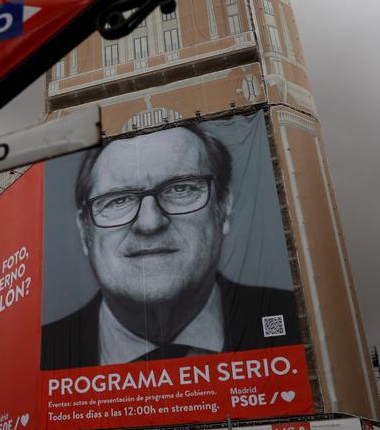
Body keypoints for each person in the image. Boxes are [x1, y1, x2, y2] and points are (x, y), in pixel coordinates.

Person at [40, 124, 300, 370]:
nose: (150, 222)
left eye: (180, 189)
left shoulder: (298, 322)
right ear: (85, 231)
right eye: (118, 200)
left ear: (224, 208)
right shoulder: (38, 358)